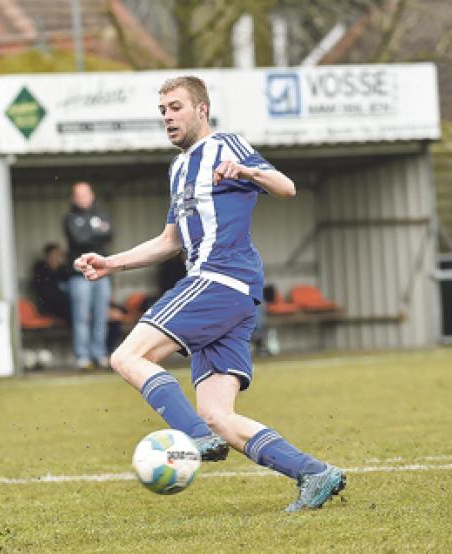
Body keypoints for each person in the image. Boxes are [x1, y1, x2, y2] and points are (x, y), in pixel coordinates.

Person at [73, 76, 346, 512]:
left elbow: (286, 187)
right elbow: (169, 241)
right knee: (218, 416)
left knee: (127, 357)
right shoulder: (179, 168)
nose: (167, 117)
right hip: (232, 294)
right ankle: (315, 473)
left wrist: (248, 171)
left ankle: (196, 439)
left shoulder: (227, 145)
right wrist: (112, 263)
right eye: (162, 110)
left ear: (201, 109)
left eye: (176, 107)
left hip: (218, 280)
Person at [64, 182, 113, 369]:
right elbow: (79, 239)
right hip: (79, 276)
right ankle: (83, 357)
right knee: (81, 317)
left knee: (101, 316)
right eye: (79, 195)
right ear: (73, 198)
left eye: (86, 194)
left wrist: (90, 233)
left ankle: (99, 354)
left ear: (92, 195)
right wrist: (96, 232)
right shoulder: (70, 218)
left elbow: (110, 234)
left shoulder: (101, 215)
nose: (83, 198)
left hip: (101, 274)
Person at [30, 242, 71, 322]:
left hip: (63, 304)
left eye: (60, 255)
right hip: (49, 306)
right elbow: (47, 294)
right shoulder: (41, 270)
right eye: (56, 254)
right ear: (48, 256)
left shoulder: (63, 270)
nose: (58, 257)